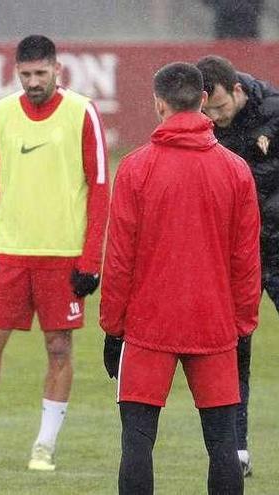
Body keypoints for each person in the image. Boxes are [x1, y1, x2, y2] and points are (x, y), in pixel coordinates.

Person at [0, 34, 109, 471]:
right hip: (8, 252)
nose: (33, 82)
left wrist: (89, 261)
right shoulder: (2, 114)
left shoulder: (82, 112)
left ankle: (44, 446)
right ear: (17, 72)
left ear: (57, 70)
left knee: (59, 347)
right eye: (25, 74)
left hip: (62, 254)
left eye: (40, 74)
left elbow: (100, 189)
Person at [100, 61, 261, 495]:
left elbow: (119, 259)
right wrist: (243, 323)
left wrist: (113, 327)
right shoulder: (235, 170)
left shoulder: (136, 168)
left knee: (137, 442)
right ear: (203, 100)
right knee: (223, 443)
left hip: (149, 325)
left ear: (158, 103)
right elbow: (246, 259)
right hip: (214, 323)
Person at [196, 54, 279, 476]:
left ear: (240, 92)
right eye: (208, 109)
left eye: (222, 107)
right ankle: (238, 450)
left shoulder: (275, 112)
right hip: (236, 257)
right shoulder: (202, 126)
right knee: (233, 350)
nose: (216, 117)